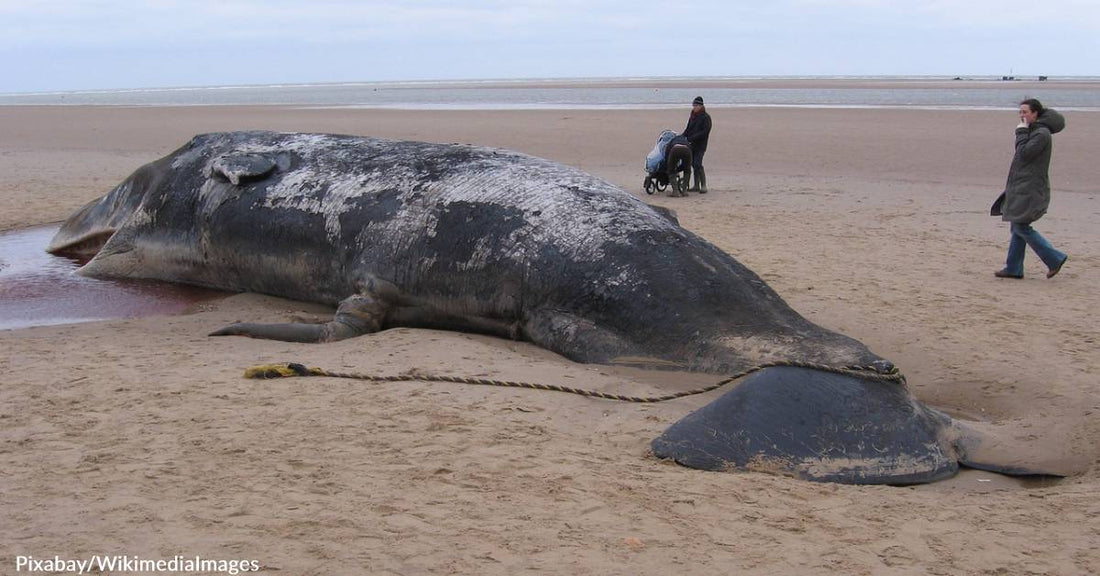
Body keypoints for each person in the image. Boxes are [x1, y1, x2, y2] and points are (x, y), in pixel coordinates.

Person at [992, 98, 1068, 279]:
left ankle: (1054, 258)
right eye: (1020, 112)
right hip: (1021, 185)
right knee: (1016, 226)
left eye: (1025, 112)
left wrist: (1021, 132)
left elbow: (1024, 154)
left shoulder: (1041, 133)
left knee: (1021, 226)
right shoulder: (1034, 131)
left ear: (1035, 113)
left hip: (1030, 188)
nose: (1022, 116)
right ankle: (1014, 268)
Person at [682, 96, 712, 193]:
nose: (694, 107)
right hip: (691, 144)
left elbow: (705, 132)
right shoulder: (692, 116)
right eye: (693, 105)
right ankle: (696, 185)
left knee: (697, 163)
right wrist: (682, 136)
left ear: (700, 106)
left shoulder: (706, 117)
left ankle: (703, 185)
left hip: (700, 145)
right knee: (692, 164)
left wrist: (693, 137)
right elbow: (688, 128)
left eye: (696, 105)